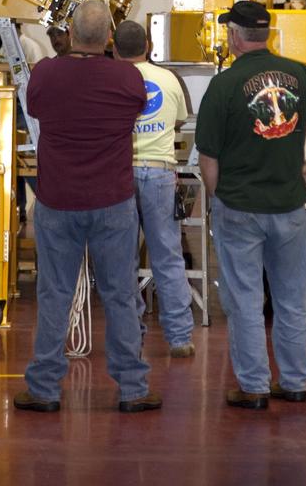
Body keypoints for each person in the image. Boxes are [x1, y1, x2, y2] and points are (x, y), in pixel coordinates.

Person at [195, 0, 306, 410]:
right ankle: (296, 382)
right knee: (290, 297)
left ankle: (255, 387)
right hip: (288, 206)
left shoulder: (224, 86)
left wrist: (216, 199)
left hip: (240, 206)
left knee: (245, 300)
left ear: (233, 36)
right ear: (265, 34)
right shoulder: (298, 75)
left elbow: (207, 157)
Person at [14, 0, 160, 415]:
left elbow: (37, 109)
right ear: (109, 38)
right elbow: (133, 110)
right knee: (120, 294)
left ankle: (44, 389)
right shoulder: (128, 79)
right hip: (112, 202)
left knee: (54, 293)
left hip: (57, 201)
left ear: (71, 33)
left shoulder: (45, 74)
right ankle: (132, 388)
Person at [113, 19, 195, 357]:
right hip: (161, 173)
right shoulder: (168, 79)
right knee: (169, 257)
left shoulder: (112, 79)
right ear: (148, 45)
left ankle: (132, 335)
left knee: (123, 259)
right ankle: (179, 338)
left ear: (114, 49)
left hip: (119, 174)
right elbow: (177, 121)